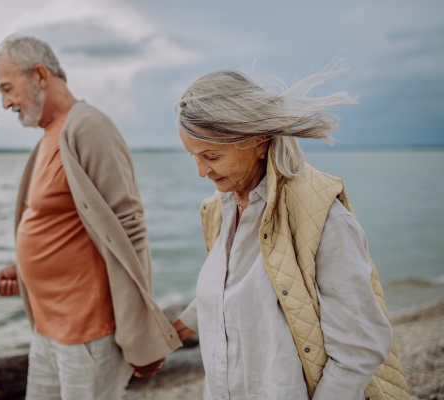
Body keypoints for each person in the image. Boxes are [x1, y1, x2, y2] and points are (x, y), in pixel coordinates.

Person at [169, 66, 410, 399]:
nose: (200, 171)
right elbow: (228, 288)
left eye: (211, 156)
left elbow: (360, 348)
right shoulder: (218, 209)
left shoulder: (324, 218)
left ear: (258, 140)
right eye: (193, 156)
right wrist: (170, 335)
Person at [0, 34, 181, 400]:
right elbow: (59, 224)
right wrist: (24, 268)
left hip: (88, 336)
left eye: (7, 88)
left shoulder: (88, 126)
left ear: (41, 75)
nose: (6, 103)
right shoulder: (49, 134)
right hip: (47, 330)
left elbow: (130, 228)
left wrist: (140, 334)